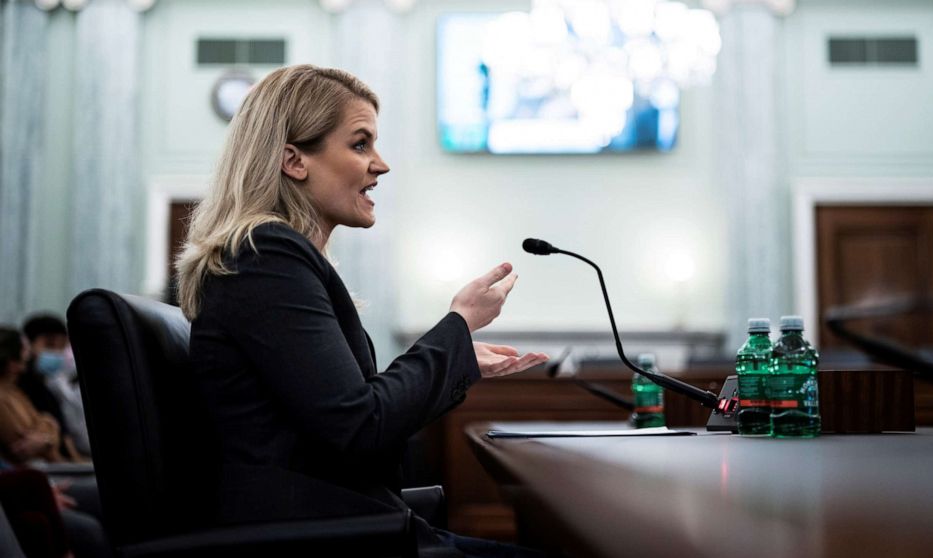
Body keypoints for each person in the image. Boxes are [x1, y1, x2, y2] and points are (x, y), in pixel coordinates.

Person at [175, 65, 549, 557]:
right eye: (360, 144)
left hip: (342, 524)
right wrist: (457, 325)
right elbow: (359, 426)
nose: (381, 164)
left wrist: (460, 357)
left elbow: (353, 413)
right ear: (294, 160)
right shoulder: (267, 257)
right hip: (324, 536)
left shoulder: (271, 258)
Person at [20, 315, 89, 456]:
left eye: (62, 346)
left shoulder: (56, 384)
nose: (57, 352)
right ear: (27, 345)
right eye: (49, 345)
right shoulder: (22, 387)